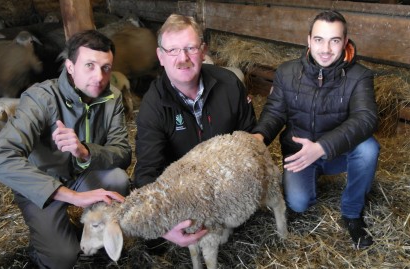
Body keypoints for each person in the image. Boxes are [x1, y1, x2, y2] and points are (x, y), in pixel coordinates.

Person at [0, 30, 132, 269]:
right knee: (62, 258)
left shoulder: (112, 98)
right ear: (70, 66)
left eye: (106, 68)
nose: (99, 76)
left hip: (81, 176)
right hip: (42, 185)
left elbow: (123, 152)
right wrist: (74, 197)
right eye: (89, 65)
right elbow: (0, 160)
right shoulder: (40, 98)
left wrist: (86, 152)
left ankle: (96, 236)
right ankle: (44, 248)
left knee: (117, 179)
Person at [252, 10, 380, 249]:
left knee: (368, 148)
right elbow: (275, 111)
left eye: (334, 41)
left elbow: (366, 118)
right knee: (299, 203)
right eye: (319, 40)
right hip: (301, 155)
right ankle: (309, 178)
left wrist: (322, 147)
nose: (326, 49)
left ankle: (352, 214)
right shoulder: (287, 72)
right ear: (309, 40)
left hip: (337, 152)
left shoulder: (360, 76)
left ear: (345, 42)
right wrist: (259, 137)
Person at [134, 14, 256, 247]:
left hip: (226, 182)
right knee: (154, 242)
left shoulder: (230, 84)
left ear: (203, 51)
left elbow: (249, 138)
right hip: (183, 191)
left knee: (239, 228)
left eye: (190, 48)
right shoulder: (152, 106)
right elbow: (147, 170)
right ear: (161, 56)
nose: (183, 58)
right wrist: (163, 224)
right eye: (173, 51)